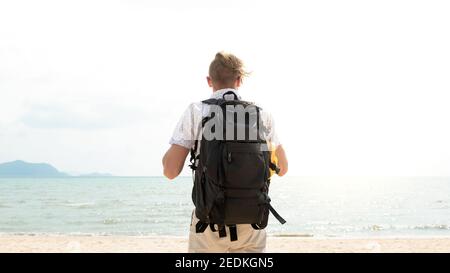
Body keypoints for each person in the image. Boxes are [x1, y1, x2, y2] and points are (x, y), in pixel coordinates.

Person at [162, 51, 288, 253]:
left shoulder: (197, 111)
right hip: (253, 221)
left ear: (209, 80)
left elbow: (170, 171)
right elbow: (282, 169)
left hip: (210, 222)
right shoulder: (261, 115)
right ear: (239, 80)